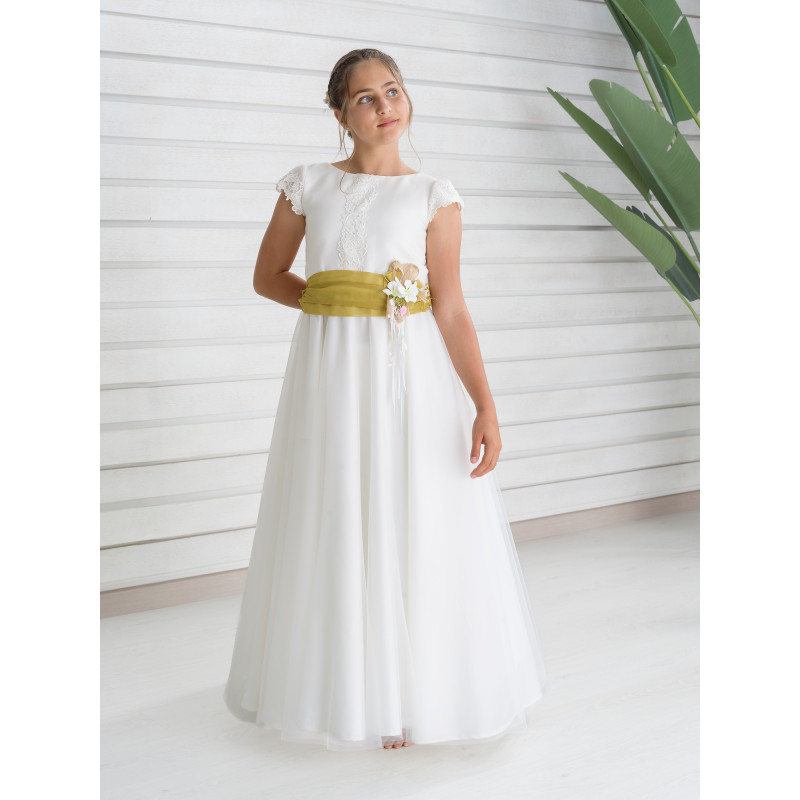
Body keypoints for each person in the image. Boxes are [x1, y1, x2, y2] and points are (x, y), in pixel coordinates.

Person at [223, 48, 547, 751]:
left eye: (393, 90)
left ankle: (410, 695)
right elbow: (268, 275)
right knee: (338, 507)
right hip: (330, 374)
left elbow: (450, 307)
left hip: (409, 374)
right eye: (365, 97)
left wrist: (485, 405)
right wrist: (332, 300)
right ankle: (347, 689)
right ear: (340, 113)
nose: (384, 106)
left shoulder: (434, 196)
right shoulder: (308, 185)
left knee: (410, 512)